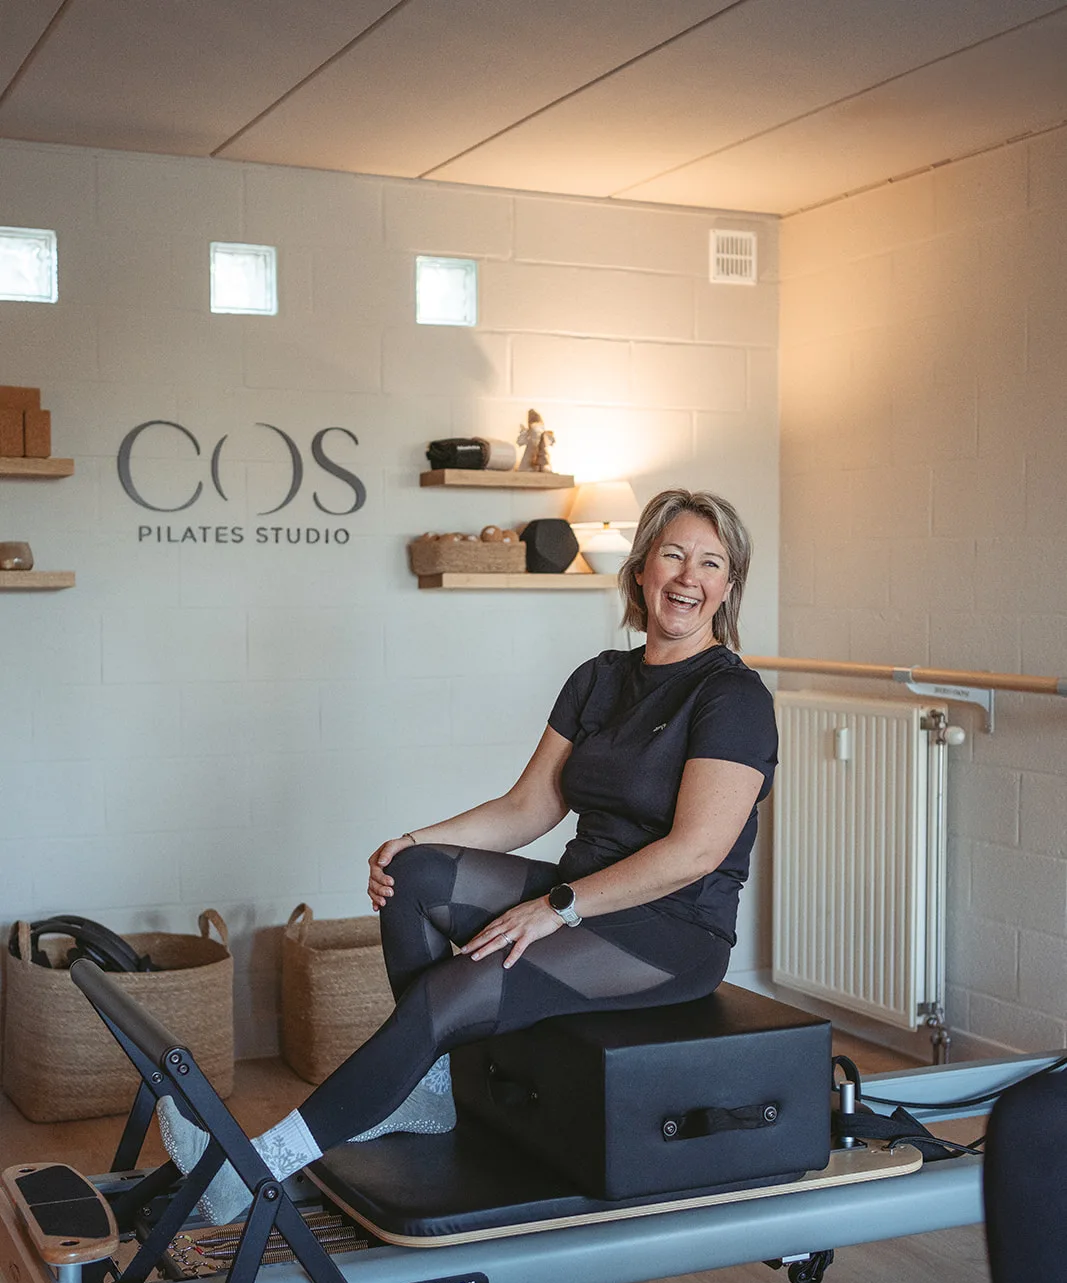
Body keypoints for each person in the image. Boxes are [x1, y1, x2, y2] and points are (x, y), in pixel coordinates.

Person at [159, 488, 778, 1223]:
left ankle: (249, 1170)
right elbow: (529, 808)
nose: (687, 576)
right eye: (672, 553)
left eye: (710, 563)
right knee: (415, 879)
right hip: (583, 893)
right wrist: (414, 840)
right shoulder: (600, 678)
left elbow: (695, 852)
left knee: (450, 991)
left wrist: (557, 909)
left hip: (669, 928)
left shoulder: (732, 696)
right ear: (641, 567)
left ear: (727, 587)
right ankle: (422, 1093)